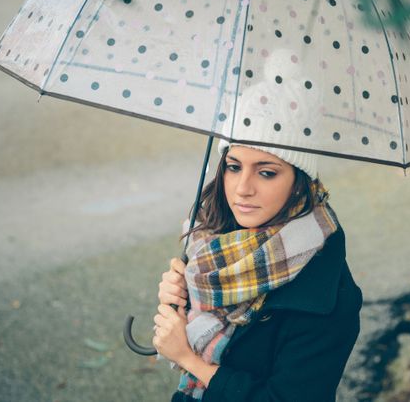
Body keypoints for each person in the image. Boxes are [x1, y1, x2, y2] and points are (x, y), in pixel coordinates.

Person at [152, 139, 363, 401]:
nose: (242, 189)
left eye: (266, 173)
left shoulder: (330, 299)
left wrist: (188, 359)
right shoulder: (216, 240)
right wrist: (181, 299)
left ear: (300, 182)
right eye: (233, 167)